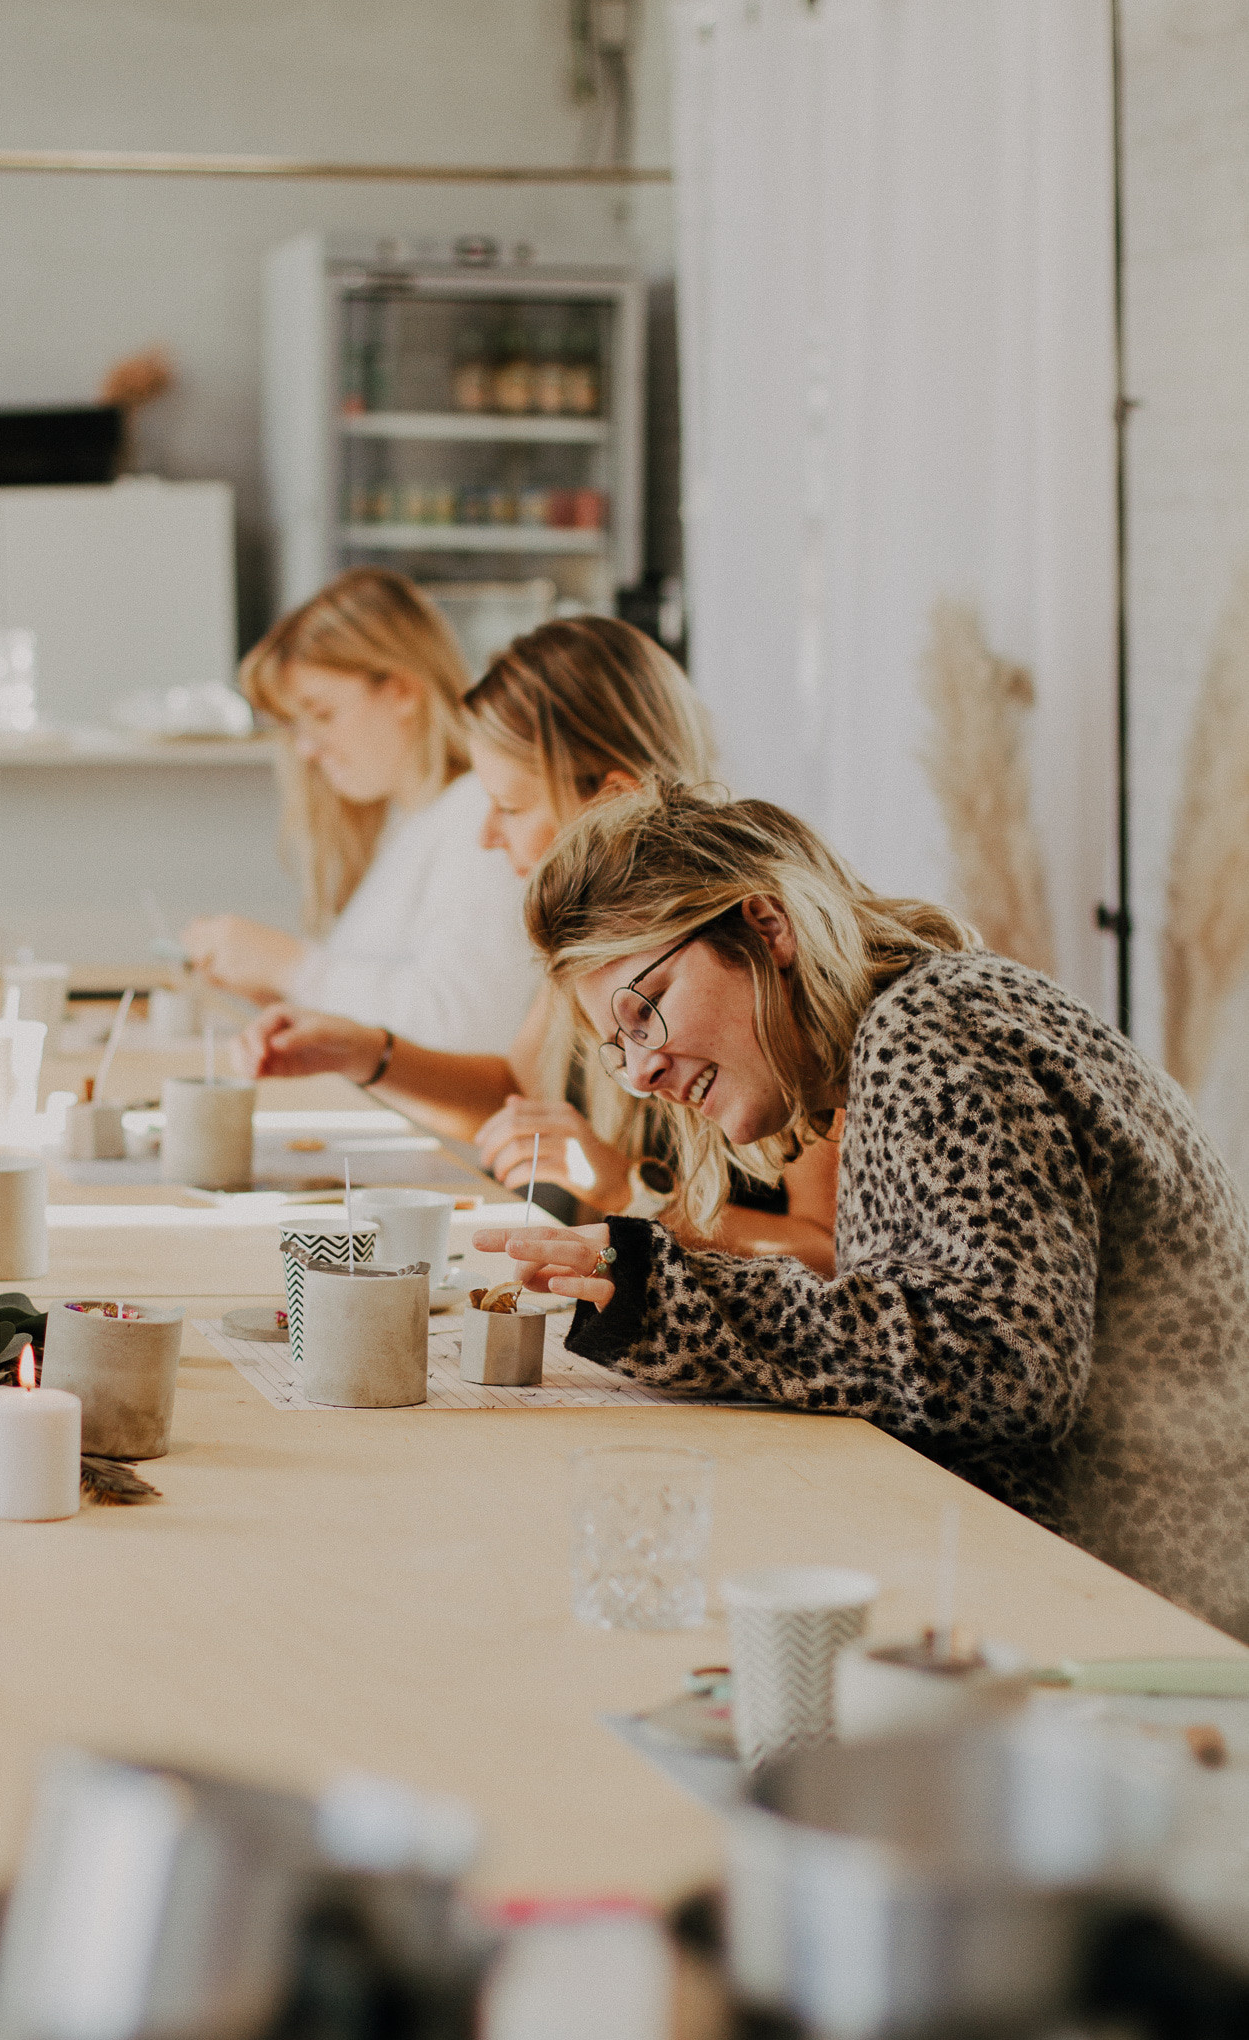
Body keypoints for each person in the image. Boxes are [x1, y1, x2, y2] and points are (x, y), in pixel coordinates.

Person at [474, 780, 1249, 1638]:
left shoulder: (928, 1032)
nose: (641, 1073)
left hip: (1154, 1611)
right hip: (1090, 1579)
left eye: (643, 1011)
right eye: (617, 1046)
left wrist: (671, 1300)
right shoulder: (921, 1021)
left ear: (764, 929)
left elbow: (1000, 1365)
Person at [237, 619, 840, 1270]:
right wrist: (361, 1052)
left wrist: (628, 1191)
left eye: (510, 807)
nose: (486, 838)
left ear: (613, 799)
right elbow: (521, 1102)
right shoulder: (589, 942)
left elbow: (827, 1251)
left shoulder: (752, 955)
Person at [182, 568, 538, 1055]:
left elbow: (466, 1029)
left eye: (323, 714)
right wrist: (277, 989)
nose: (306, 748)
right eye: (296, 725)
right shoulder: (407, 818)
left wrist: (293, 967)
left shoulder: (480, 819)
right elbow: (381, 1012)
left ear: (402, 691)